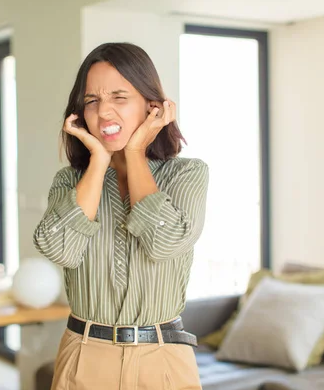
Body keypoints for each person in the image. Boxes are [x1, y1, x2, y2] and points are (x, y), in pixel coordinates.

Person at [33, 42, 209, 390]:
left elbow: (165, 242)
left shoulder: (186, 175)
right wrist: (98, 162)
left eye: (119, 97)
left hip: (163, 359)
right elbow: (59, 250)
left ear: (152, 104)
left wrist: (135, 152)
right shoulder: (70, 182)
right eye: (92, 101)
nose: (105, 112)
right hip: (84, 357)